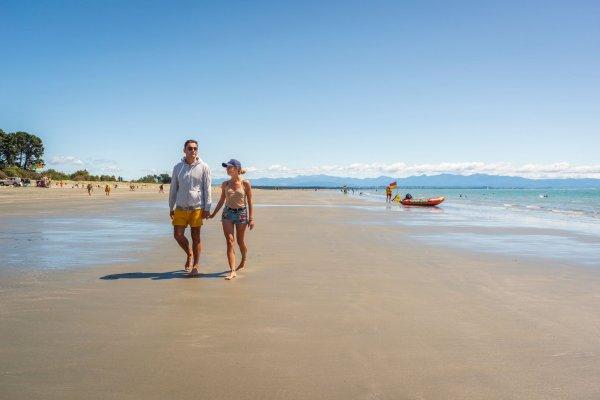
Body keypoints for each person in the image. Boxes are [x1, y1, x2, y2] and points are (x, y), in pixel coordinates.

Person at [169, 139, 212, 276]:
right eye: (190, 148)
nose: (193, 151)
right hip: (180, 207)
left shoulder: (204, 166)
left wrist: (207, 207)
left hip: (197, 208)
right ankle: (189, 253)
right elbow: (173, 188)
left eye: (195, 148)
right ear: (184, 150)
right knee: (178, 235)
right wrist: (171, 206)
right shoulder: (178, 167)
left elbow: (207, 188)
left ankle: (196, 265)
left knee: (196, 237)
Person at [210, 159, 254, 281]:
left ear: (237, 169)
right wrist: (213, 213)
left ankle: (244, 258)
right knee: (230, 241)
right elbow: (221, 200)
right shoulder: (225, 184)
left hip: (241, 214)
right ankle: (233, 270)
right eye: (226, 167)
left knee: (240, 241)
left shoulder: (246, 184)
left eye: (229, 167)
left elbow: (250, 201)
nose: (227, 169)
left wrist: (251, 218)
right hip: (227, 214)